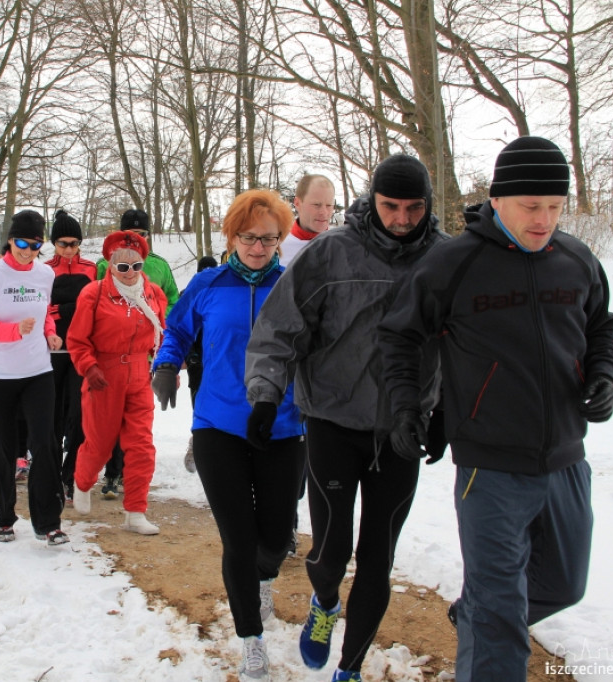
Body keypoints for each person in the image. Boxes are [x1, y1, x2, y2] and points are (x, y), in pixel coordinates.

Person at [378, 137, 613, 682]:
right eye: (531, 207)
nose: (544, 220)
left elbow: (602, 327)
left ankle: (480, 616)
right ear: (499, 199)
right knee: (499, 618)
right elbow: (399, 337)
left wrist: (604, 374)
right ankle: (487, 620)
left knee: (563, 584)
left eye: (555, 207)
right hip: (488, 467)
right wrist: (405, 407)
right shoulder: (455, 263)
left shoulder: (576, 259)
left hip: (565, 460)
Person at [245, 155, 449, 682]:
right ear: (371, 200)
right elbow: (279, 327)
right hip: (334, 421)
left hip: (403, 428)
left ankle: (351, 667)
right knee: (332, 550)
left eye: (414, 207)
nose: (402, 219)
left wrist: (445, 409)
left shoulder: (447, 260)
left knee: (378, 556)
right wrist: (266, 395)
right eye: (390, 207)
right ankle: (325, 602)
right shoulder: (333, 252)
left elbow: (465, 344)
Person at [152, 189, 305, 681]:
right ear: (232, 236)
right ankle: (250, 638)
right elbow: (176, 330)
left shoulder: (294, 286)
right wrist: (166, 364)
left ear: (281, 239)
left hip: (282, 425)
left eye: (268, 238)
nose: (258, 247)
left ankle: (264, 576)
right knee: (238, 538)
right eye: (248, 237)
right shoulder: (208, 283)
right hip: (219, 425)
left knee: (277, 536)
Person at [0, 209, 68, 545]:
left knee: (45, 443)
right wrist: (13, 331)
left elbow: (44, 314)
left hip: (37, 370)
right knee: (3, 446)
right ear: (10, 240)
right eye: (22, 242)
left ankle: (48, 521)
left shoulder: (44, 275)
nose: (28, 250)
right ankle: (5, 517)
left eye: (35, 244)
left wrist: (50, 333)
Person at [68, 230, 167, 535]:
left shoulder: (152, 294)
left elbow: (163, 333)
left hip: (139, 373)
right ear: (110, 265)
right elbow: (77, 339)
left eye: (136, 266)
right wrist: (88, 366)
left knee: (141, 446)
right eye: (122, 266)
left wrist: (165, 365)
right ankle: (82, 482)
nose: (129, 272)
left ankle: (135, 511)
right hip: (104, 376)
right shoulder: (94, 293)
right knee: (100, 444)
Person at [94, 208, 181, 498]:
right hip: (113, 354)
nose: (136, 241)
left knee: (136, 419)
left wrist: (156, 325)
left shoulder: (159, 266)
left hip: (145, 354)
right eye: (129, 236)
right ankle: (111, 472)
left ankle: (127, 475)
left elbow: (172, 302)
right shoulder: (104, 266)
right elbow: (96, 304)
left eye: (142, 235)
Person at [44, 209, 97, 503]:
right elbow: (39, 308)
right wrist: (66, 310)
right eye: (63, 243)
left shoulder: (90, 269)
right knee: (52, 416)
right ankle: (50, 474)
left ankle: (70, 475)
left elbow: (95, 306)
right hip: (51, 352)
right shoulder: (43, 269)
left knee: (80, 416)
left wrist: (69, 309)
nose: (68, 249)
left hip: (81, 350)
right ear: (54, 243)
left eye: (74, 243)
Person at [180, 255, 220, 473]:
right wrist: (189, 356)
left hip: (219, 360)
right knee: (199, 404)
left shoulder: (224, 294)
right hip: (197, 361)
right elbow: (181, 329)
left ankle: (216, 447)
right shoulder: (188, 294)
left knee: (220, 404)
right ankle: (197, 444)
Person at [279, 174, 336, 266]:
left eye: (329, 205)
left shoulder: (341, 247)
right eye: (316, 205)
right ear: (297, 203)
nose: (324, 212)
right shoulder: (276, 248)